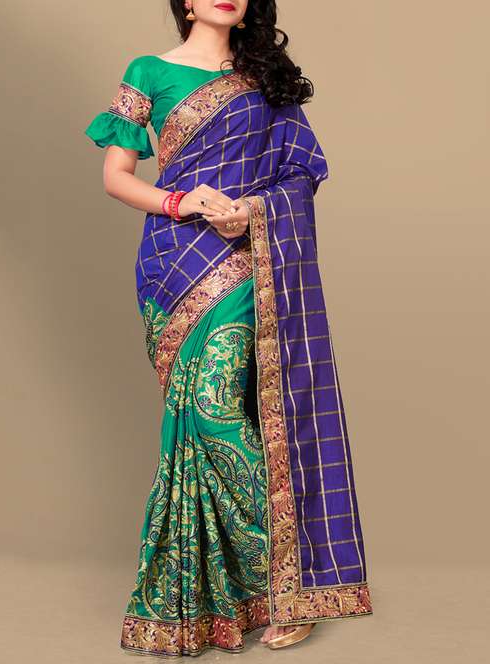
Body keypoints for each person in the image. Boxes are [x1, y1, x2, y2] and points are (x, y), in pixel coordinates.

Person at [84, 0, 373, 657]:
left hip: (244, 259)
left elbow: (301, 172)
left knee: (219, 413)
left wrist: (252, 210)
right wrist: (182, 200)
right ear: (185, 0)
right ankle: (241, 596)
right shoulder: (148, 71)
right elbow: (115, 178)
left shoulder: (265, 78)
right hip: (171, 263)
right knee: (193, 422)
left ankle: (287, 588)